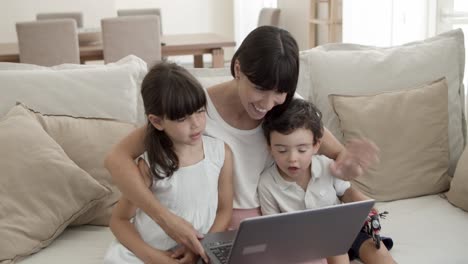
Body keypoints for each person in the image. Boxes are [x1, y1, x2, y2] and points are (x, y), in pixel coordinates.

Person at [105, 26, 379, 262]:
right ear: (238, 69)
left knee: (368, 246)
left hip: (284, 216)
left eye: (279, 93)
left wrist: (348, 168)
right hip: (228, 225)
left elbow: (332, 154)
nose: (267, 104)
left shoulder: (286, 104)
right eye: (260, 89)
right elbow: (117, 159)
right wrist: (165, 219)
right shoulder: (196, 111)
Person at [104, 62, 233, 264]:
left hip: (200, 250)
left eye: (200, 111)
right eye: (182, 118)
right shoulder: (149, 166)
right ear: (157, 122)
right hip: (152, 253)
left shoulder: (221, 153)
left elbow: (224, 210)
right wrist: (155, 258)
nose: (196, 123)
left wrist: (199, 248)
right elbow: (118, 221)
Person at [258, 98, 395, 264]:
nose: (292, 159)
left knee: (379, 252)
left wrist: (365, 205)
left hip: (345, 230)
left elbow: (347, 193)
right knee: (336, 253)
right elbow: (273, 230)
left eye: (302, 150)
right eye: (282, 150)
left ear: (316, 145)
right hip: (306, 243)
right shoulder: (267, 184)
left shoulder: (326, 165)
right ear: (270, 147)